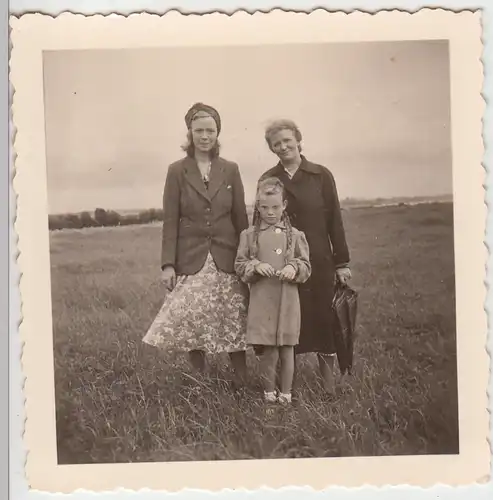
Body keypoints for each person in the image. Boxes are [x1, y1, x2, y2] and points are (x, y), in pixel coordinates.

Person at [143, 102, 249, 387]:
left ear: (218, 133)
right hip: (191, 258)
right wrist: (168, 264)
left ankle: (242, 380)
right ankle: (201, 380)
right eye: (199, 130)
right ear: (190, 134)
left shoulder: (231, 169)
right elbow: (171, 220)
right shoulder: (177, 171)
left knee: (232, 316)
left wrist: (248, 256)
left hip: (227, 257)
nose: (205, 136)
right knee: (193, 317)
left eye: (210, 130)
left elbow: (241, 217)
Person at [259, 119, 352, 396]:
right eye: (276, 143)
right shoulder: (268, 179)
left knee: (325, 323)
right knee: (287, 325)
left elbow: (335, 219)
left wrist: (342, 263)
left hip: (320, 262)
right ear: (272, 149)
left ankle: (328, 388)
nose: (283, 146)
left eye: (287, 140)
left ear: (299, 140)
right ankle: (288, 387)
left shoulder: (321, 175)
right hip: (282, 264)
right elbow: (259, 221)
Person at [235, 177, 311, 404]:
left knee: (287, 347)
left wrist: (293, 266)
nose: (270, 212)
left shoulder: (295, 235)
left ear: (284, 206)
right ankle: (269, 395)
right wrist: (255, 265)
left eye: (276, 207)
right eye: (264, 207)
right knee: (268, 350)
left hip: (287, 301)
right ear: (257, 206)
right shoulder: (248, 236)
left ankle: (286, 395)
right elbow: (239, 265)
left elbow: (306, 266)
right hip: (262, 300)